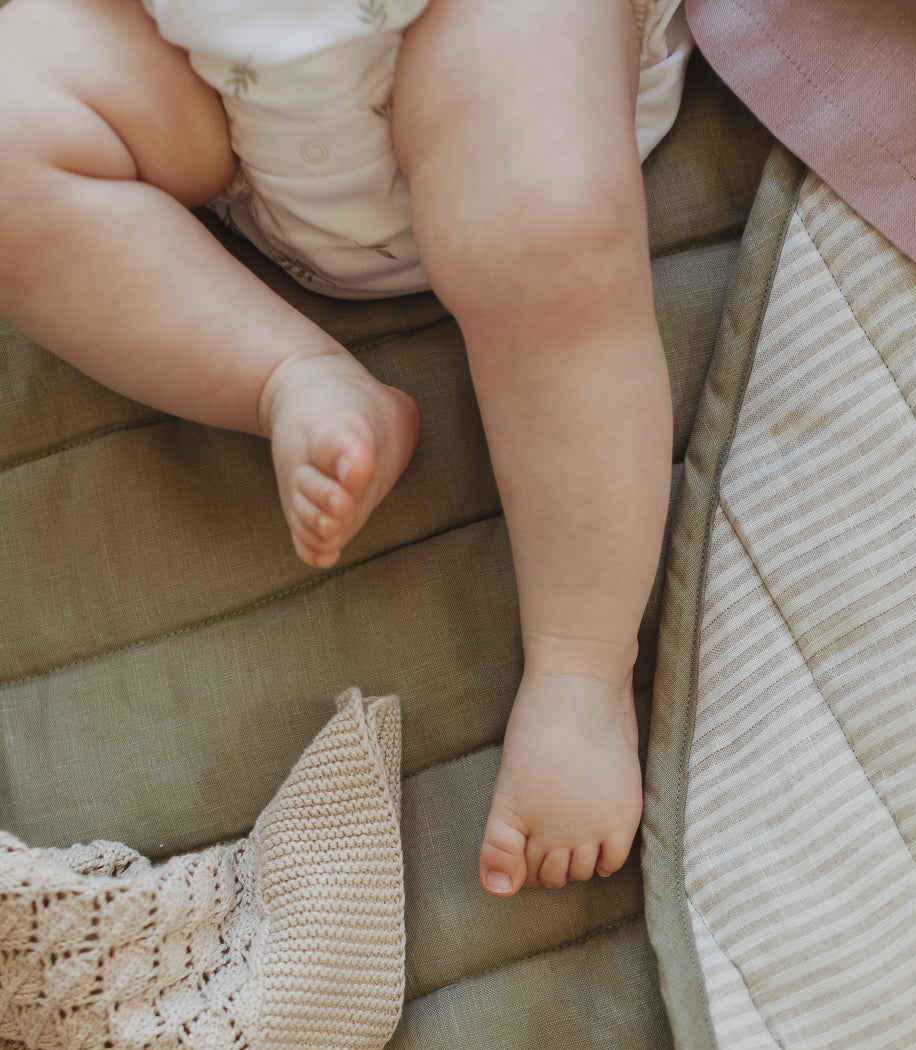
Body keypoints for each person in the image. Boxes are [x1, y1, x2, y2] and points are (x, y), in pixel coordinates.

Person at [0, 0, 691, 897]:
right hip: (211, 65)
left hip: (483, 39)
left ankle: (581, 667)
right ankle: (289, 374)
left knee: (545, 225)